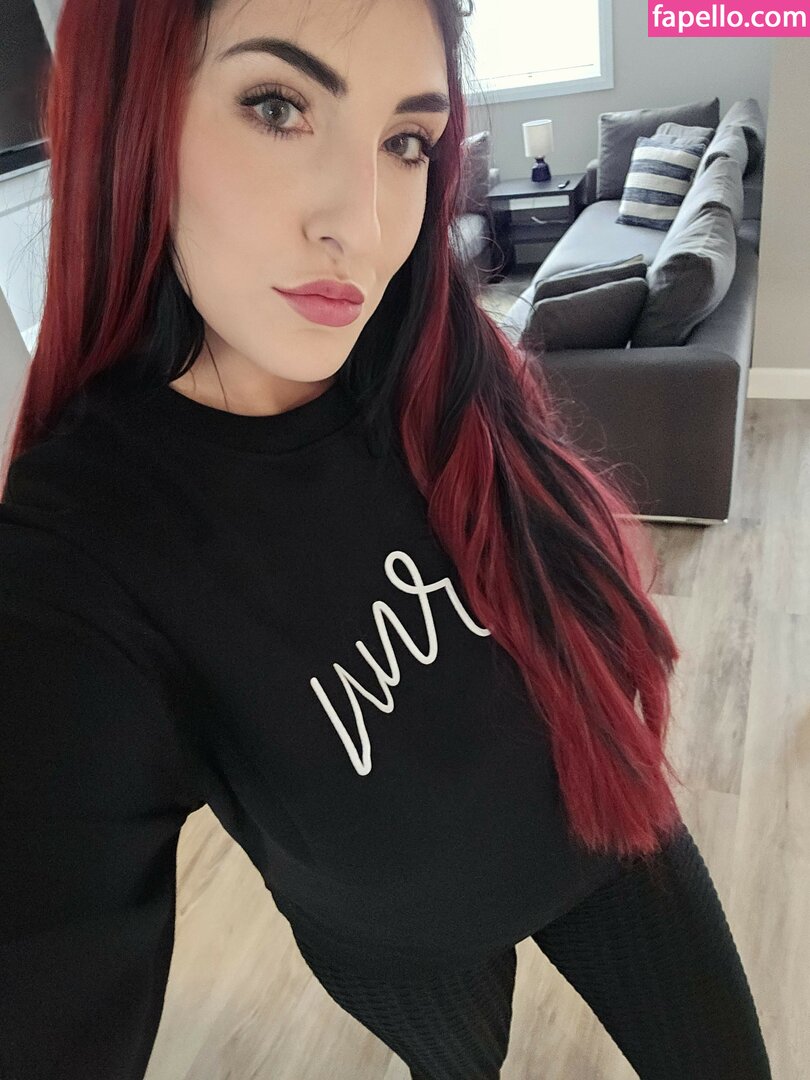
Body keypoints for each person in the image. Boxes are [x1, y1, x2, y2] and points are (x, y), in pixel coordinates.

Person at [0, 0, 772, 1077]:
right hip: (408, 954)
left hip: (609, 825)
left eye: (407, 139)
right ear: (128, 123)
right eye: (278, 106)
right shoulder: (80, 542)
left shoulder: (439, 348)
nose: (361, 227)